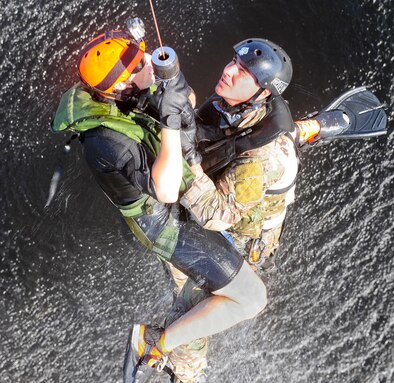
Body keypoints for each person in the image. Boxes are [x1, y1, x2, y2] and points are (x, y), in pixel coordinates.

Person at [51, 25, 267, 382]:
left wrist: (174, 91)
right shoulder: (107, 143)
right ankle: (153, 343)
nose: (149, 62)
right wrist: (169, 120)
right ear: (120, 85)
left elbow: (189, 100)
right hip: (163, 222)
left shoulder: (118, 95)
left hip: (174, 199)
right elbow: (165, 189)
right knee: (252, 299)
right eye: (140, 65)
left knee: (214, 269)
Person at [166, 38, 387, 382]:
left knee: (191, 306)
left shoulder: (260, 158)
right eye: (232, 63)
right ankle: (321, 125)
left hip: (236, 239)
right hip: (262, 163)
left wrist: (189, 160)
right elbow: (261, 133)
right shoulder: (238, 107)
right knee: (292, 134)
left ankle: (185, 372)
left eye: (242, 73)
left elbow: (215, 214)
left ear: (263, 92)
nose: (228, 72)